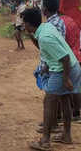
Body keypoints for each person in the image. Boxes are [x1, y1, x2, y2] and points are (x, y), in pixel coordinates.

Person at [24, 8, 81, 150]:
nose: (23, 25)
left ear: (29, 23)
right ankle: (66, 135)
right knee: (64, 99)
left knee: (48, 101)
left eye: (24, 22)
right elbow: (45, 49)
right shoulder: (46, 28)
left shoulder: (45, 37)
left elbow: (64, 58)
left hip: (64, 70)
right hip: (71, 67)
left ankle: (45, 141)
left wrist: (66, 79)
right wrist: (31, 36)